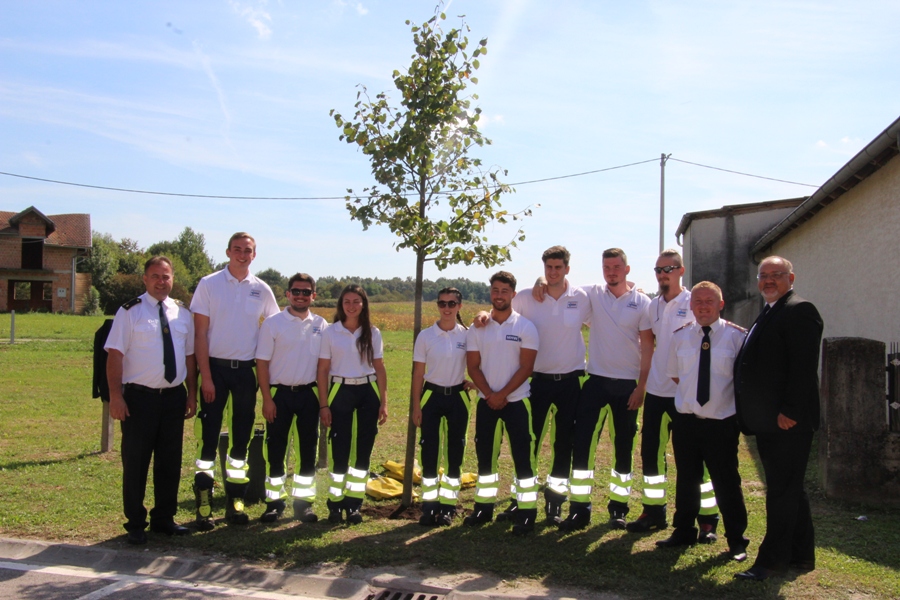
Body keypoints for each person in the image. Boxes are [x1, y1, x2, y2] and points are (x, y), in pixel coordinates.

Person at [476, 246, 590, 525]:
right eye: (548, 267)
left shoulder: (582, 297)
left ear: (567, 269)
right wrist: (480, 313)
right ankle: (520, 501)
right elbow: (499, 310)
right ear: (544, 268)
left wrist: (634, 288)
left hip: (570, 382)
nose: (553, 272)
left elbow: (614, 296)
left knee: (563, 444)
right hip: (536, 382)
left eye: (558, 267)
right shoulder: (528, 296)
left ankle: (555, 503)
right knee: (528, 445)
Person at [733, 256, 823, 581]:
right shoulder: (772, 310)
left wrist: (791, 411)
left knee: (782, 493)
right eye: (764, 275)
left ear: (791, 278)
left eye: (776, 275)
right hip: (771, 420)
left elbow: (803, 367)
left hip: (788, 422)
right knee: (790, 489)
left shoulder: (800, 310)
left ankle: (771, 563)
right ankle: (801, 556)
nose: (769, 280)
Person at [554, 248, 653, 532]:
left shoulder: (642, 302)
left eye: (616, 267)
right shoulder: (594, 294)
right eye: (606, 267)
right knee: (583, 445)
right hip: (596, 381)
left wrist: (642, 387)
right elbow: (561, 286)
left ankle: (618, 509)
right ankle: (579, 509)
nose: (611, 272)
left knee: (623, 448)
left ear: (627, 269)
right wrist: (539, 283)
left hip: (628, 386)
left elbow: (648, 346)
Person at [626, 250, 720, 540]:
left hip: (686, 394)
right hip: (656, 392)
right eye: (658, 270)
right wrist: (642, 385)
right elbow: (647, 348)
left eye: (668, 269)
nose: (662, 274)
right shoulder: (652, 306)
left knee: (693, 459)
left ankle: (707, 519)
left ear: (681, 270)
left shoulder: (693, 302)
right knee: (651, 455)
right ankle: (653, 511)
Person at [105, 256, 197, 544]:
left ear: (172, 279)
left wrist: (192, 393)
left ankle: (163, 519)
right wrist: (116, 396)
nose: (161, 281)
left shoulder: (183, 314)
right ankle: (135, 522)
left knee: (170, 461)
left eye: (166, 276)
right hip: (139, 399)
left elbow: (189, 357)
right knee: (136, 462)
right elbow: (115, 355)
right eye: (155, 276)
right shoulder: (129, 312)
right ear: (145, 279)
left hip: (173, 398)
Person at [655, 281, 749, 561]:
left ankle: (736, 540)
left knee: (726, 482)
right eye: (698, 302)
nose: (703, 307)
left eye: (709, 301)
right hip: (687, 421)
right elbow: (676, 375)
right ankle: (683, 531)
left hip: (720, 423)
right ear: (691, 306)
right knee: (687, 480)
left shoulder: (737, 337)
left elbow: (741, 381)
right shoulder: (680, 336)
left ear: (721, 305)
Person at [190, 233, 279, 529]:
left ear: (254, 255)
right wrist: (206, 377)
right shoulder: (209, 284)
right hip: (214, 370)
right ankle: (204, 502)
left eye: (248, 250)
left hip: (245, 373)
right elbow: (199, 334)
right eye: (237, 249)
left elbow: (276, 328)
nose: (242, 254)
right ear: (228, 252)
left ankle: (235, 501)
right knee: (208, 439)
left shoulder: (262, 289)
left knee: (241, 438)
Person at [465, 271, 540, 536]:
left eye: (504, 291)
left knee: (523, 458)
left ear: (513, 294)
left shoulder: (525, 327)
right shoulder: (477, 328)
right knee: (486, 457)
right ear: (490, 293)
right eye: (495, 290)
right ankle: (483, 509)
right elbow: (473, 367)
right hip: (486, 402)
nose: (499, 295)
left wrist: (503, 394)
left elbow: (526, 367)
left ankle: (527, 512)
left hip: (517, 401)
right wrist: (489, 394)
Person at [256, 273, 328, 523]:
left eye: (306, 292)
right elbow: (262, 363)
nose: (300, 296)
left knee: (308, 450)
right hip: (279, 395)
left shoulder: (321, 324)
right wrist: (267, 399)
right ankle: (274, 503)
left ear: (313, 296)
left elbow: (324, 366)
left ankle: (303, 504)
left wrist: (323, 403)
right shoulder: (273, 323)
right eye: (296, 291)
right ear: (287, 294)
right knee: (276, 450)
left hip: (309, 394)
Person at [317, 284, 388, 525]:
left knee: (362, 450)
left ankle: (354, 504)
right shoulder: (330, 332)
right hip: (341, 390)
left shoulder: (373, 332)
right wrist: (324, 405)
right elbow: (323, 369)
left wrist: (384, 402)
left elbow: (379, 368)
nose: (351, 306)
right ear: (341, 305)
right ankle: (335, 504)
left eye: (356, 301)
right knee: (340, 449)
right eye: (347, 301)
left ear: (363, 304)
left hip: (367, 391)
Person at [412, 287, 474, 527]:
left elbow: (479, 363)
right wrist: (416, 406)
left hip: (458, 397)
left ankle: (448, 506)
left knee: (455, 452)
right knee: (429, 452)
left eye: (451, 303)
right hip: (431, 397)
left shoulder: (467, 335)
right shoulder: (426, 336)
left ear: (459, 306)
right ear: (437, 305)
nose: (446, 308)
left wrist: (474, 382)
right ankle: (428, 507)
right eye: (442, 303)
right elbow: (418, 373)